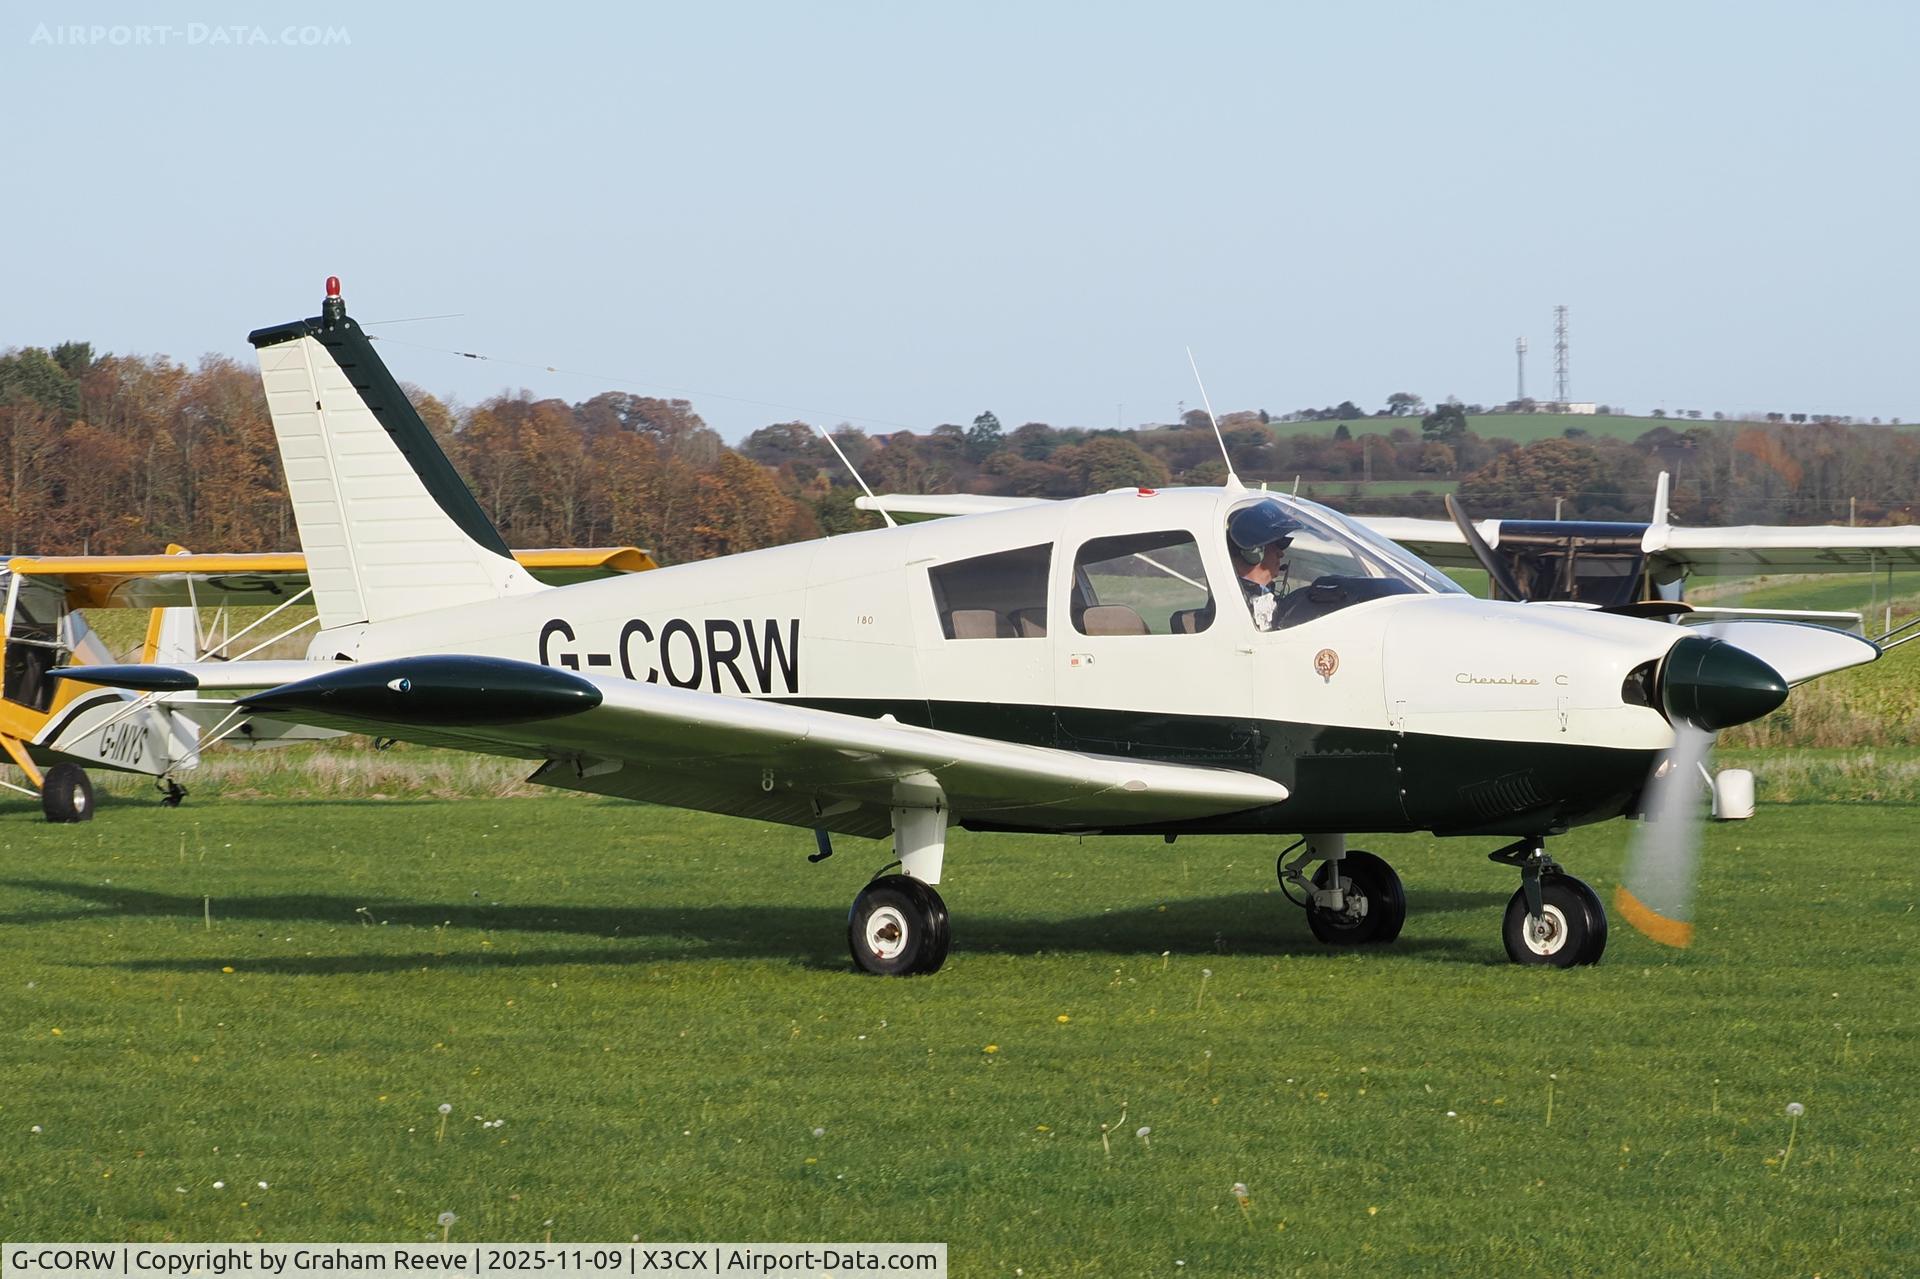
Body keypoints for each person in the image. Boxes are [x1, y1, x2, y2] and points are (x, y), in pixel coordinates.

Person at [1226, 501, 1300, 631]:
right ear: (1254, 552)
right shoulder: (1236, 605)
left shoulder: (1261, 596)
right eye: (1275, 544)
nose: (1281, 553)